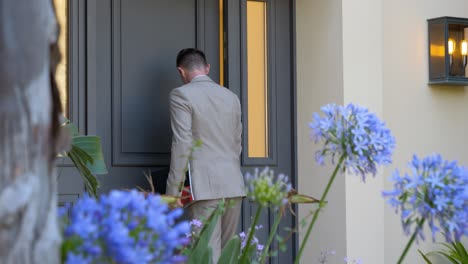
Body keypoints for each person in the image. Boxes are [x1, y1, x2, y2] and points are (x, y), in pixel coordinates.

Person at [166, 48, 246, 263]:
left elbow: (182, 144)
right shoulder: (231, 97)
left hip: (203, 188)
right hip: (233, 185)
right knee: (227, 256)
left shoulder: (181, 95)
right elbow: (237, 143)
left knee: (206, 255)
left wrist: (173, 193)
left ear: (181, 71)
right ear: (207, 68)